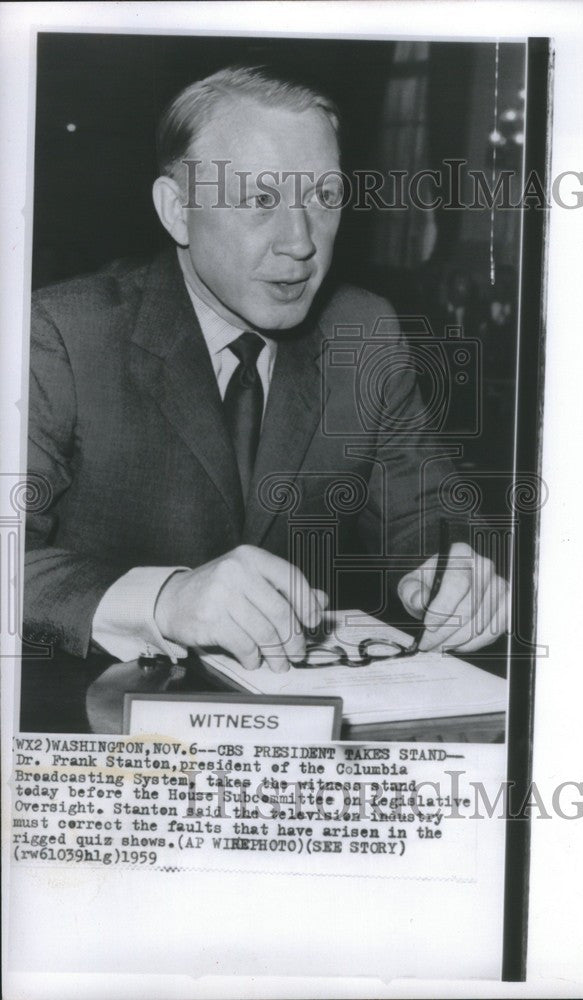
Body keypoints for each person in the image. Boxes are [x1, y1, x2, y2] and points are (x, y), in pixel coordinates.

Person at [24, 65, 509, 676]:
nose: (301, 241)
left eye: (325, 198)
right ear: (178, 210)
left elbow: (428, 514)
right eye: (260, 199)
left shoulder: (362, 332)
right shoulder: (62, 335)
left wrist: (458, 571)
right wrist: (166, 600)